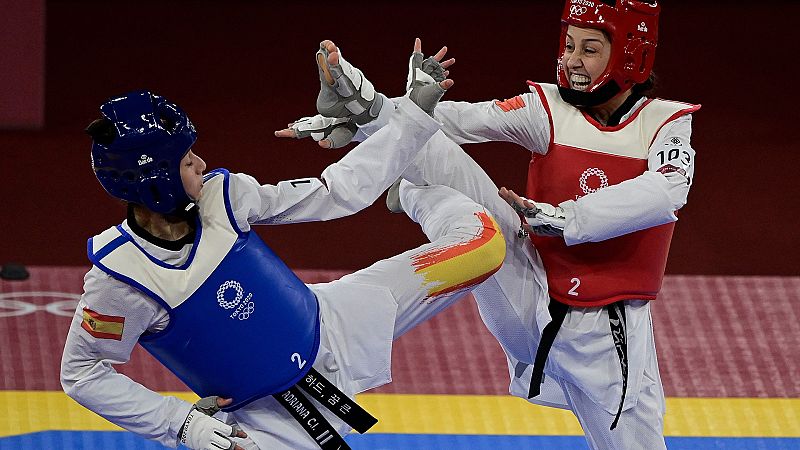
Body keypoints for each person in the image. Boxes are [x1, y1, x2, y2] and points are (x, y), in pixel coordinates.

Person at [281, 1, 699, 448]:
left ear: (630, 55)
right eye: (569, 45)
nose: (572, 60)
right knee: (463, 184)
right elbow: (452, 120)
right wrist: (370, 114)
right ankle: (366, 111)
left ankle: (415, 194)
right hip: (528, 290)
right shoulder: (549, 109)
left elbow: (667, 189)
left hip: (604, 335)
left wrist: (565, 217)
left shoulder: (665, 124)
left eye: (590, 49)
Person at [60, 41, 508, 450]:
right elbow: (82, 373)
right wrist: (179, 423)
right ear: (153, 178)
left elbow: (335, 192)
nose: (200, 162)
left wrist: (409, 116)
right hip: (267, 422)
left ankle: (410, 192)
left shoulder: (226, 196)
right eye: (185, 158)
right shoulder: (120, 279)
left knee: (484, 245)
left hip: (332, 326)